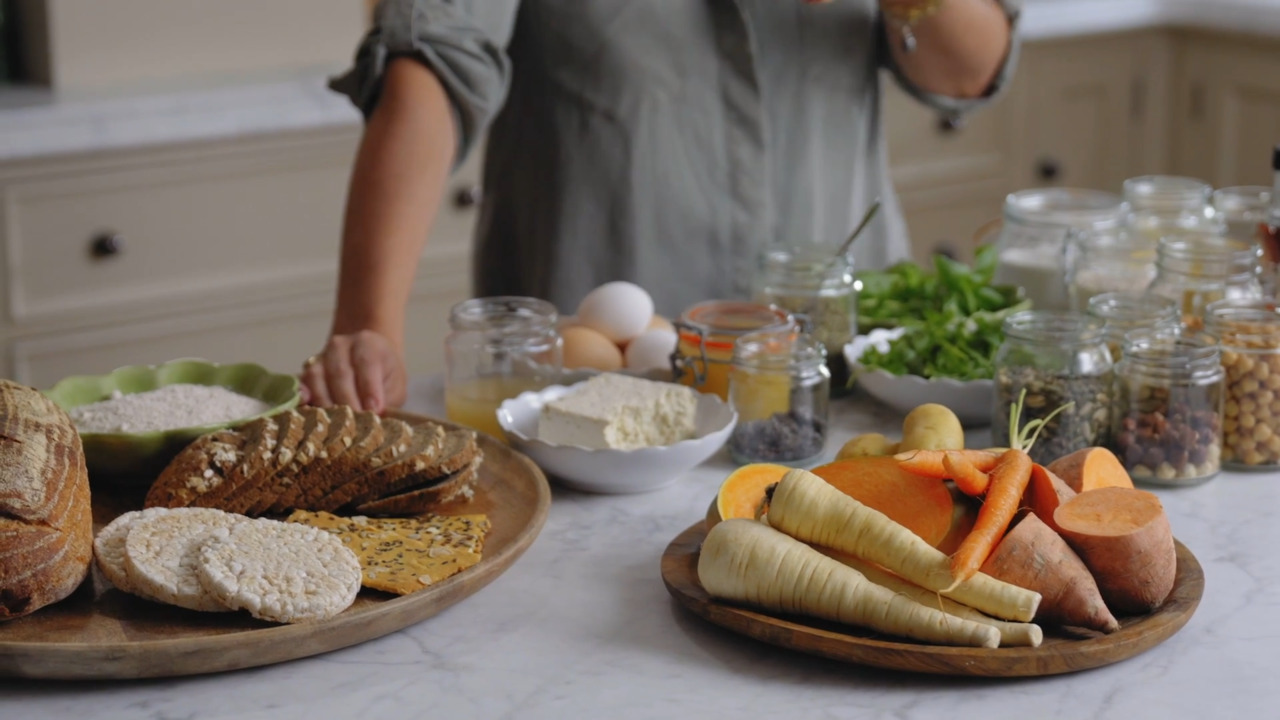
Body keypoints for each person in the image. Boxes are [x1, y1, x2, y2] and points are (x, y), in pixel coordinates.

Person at [301, 0, 1020, 412]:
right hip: (595, 392)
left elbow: (968, 69)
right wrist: (369, 329)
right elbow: (431, 60)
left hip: (846, 372)